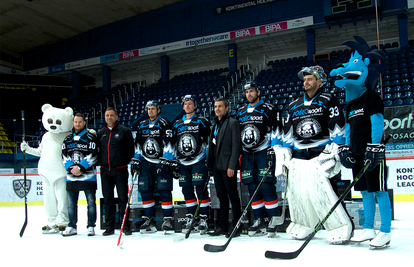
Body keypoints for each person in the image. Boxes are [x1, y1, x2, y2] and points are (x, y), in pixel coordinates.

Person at [278, 65, 353, 244]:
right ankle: (304, 223)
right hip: (300, 155)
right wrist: (285, 150)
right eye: (304, 79)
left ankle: (340, 225)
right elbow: (288, 131)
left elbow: (336, 124)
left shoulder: (328, 100)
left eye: (310, 79)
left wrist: (336, 147)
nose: (306, 82)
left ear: (319, 81)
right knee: (300, 193)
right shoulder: (293, 105)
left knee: (327, 192)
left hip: (322, 153)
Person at [331, 36, 391, 248]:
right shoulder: (350, 105)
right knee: (364, 191)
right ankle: (368, 228)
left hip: (373, 154)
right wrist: (346, 147)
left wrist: (375, 148)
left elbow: (376, 124)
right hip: (357, 154)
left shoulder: (372, 98)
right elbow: (348, 129)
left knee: (379, 190)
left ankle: (385, 231)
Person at [236, 81, 283, 237]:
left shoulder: (269, 108)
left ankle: (273, 220)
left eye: (251, 91)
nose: (249, 94)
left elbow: (276, 130)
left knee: (267, 186)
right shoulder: (240, 111)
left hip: (264, 152)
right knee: (252, 187)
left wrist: (274, 149)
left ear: (258, 92)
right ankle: (259, 220)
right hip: (247, 154)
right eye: (247, 91)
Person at [131, 100, 175, 233]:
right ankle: (149, 219)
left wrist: (166, 160)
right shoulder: (142, 125)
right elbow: (138, 146)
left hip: (160, 163)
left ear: (158, 110)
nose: (150, 111)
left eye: (153, 108)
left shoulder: (165, 124)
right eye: (149, 109)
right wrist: (136, 161)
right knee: (145, 191)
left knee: (164, 190)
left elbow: (169, 144)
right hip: (145, 163)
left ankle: (167, 219)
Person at [173, 95, 211, 235]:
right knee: (186, 190)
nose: (187, 106)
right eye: (185, 103)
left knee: (200, 189)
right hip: (183, 162)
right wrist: (174, 162)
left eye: (190, 103)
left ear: (195, 106)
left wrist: (209, 158)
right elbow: (173, 144)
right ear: (183, 106)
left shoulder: (202, 121)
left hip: (199, 159)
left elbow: (208, 140)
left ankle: (203, 217)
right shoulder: (177, 123)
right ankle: (192, 216)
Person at [206, 97, 241, 237]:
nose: (217, 109)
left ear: (227, 108)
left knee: (233, 196)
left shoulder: (233, 123)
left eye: (220, 106)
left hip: (228, 167)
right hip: (216, 167)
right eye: (215, 106)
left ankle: (236, 226)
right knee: (221, 197)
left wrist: (232, 165)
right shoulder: (214, 125)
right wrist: (210, 166)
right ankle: (222, 227)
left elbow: (236, 146)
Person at [97, 107, 135, 236]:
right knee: (108, 200)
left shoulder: (124, 131)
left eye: (111, 115)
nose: (109, 117)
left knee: (123, 199)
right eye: (107, 115)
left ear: (116, 117)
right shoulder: (100, 133)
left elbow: (130, 151)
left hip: (120, 171)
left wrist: (122, 161)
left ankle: (126, 226)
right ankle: (109, 227)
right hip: (105, 171)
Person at [61, 113, 98, 237]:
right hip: (71, 177)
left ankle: (91, 226)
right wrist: (73, 169)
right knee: (71, 204)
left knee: (91, 202)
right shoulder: (67, 139)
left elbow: (93, 154)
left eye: (80, 122)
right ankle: (72, 226)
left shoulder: (91, 137)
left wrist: (80, 167)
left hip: (88, 176)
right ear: (73, 123)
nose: (78, 124)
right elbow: (64, 156)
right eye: (76, 122)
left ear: (84, 123)